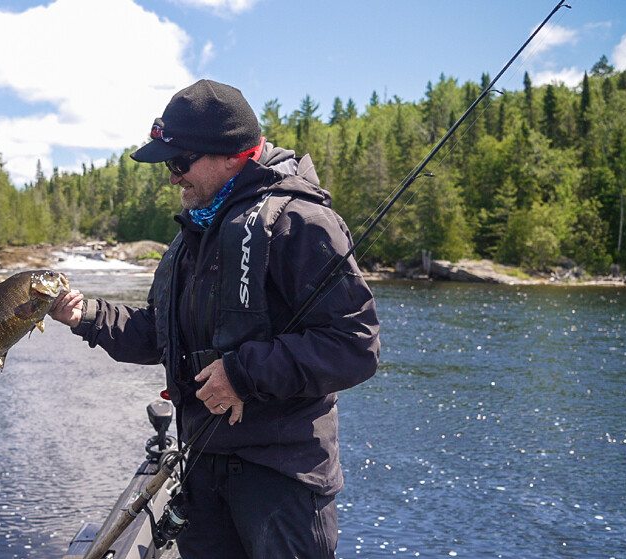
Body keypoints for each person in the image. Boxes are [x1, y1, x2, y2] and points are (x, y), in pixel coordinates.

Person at [49, 79, 380, 559]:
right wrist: (89, 316)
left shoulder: (300, 222)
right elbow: (164, 335)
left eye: (179, 162)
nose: (172, 177)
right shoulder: (194, 234)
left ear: (230, 154)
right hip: (203, 468)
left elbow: (355, 345)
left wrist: (243, 375)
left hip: (280, 480)